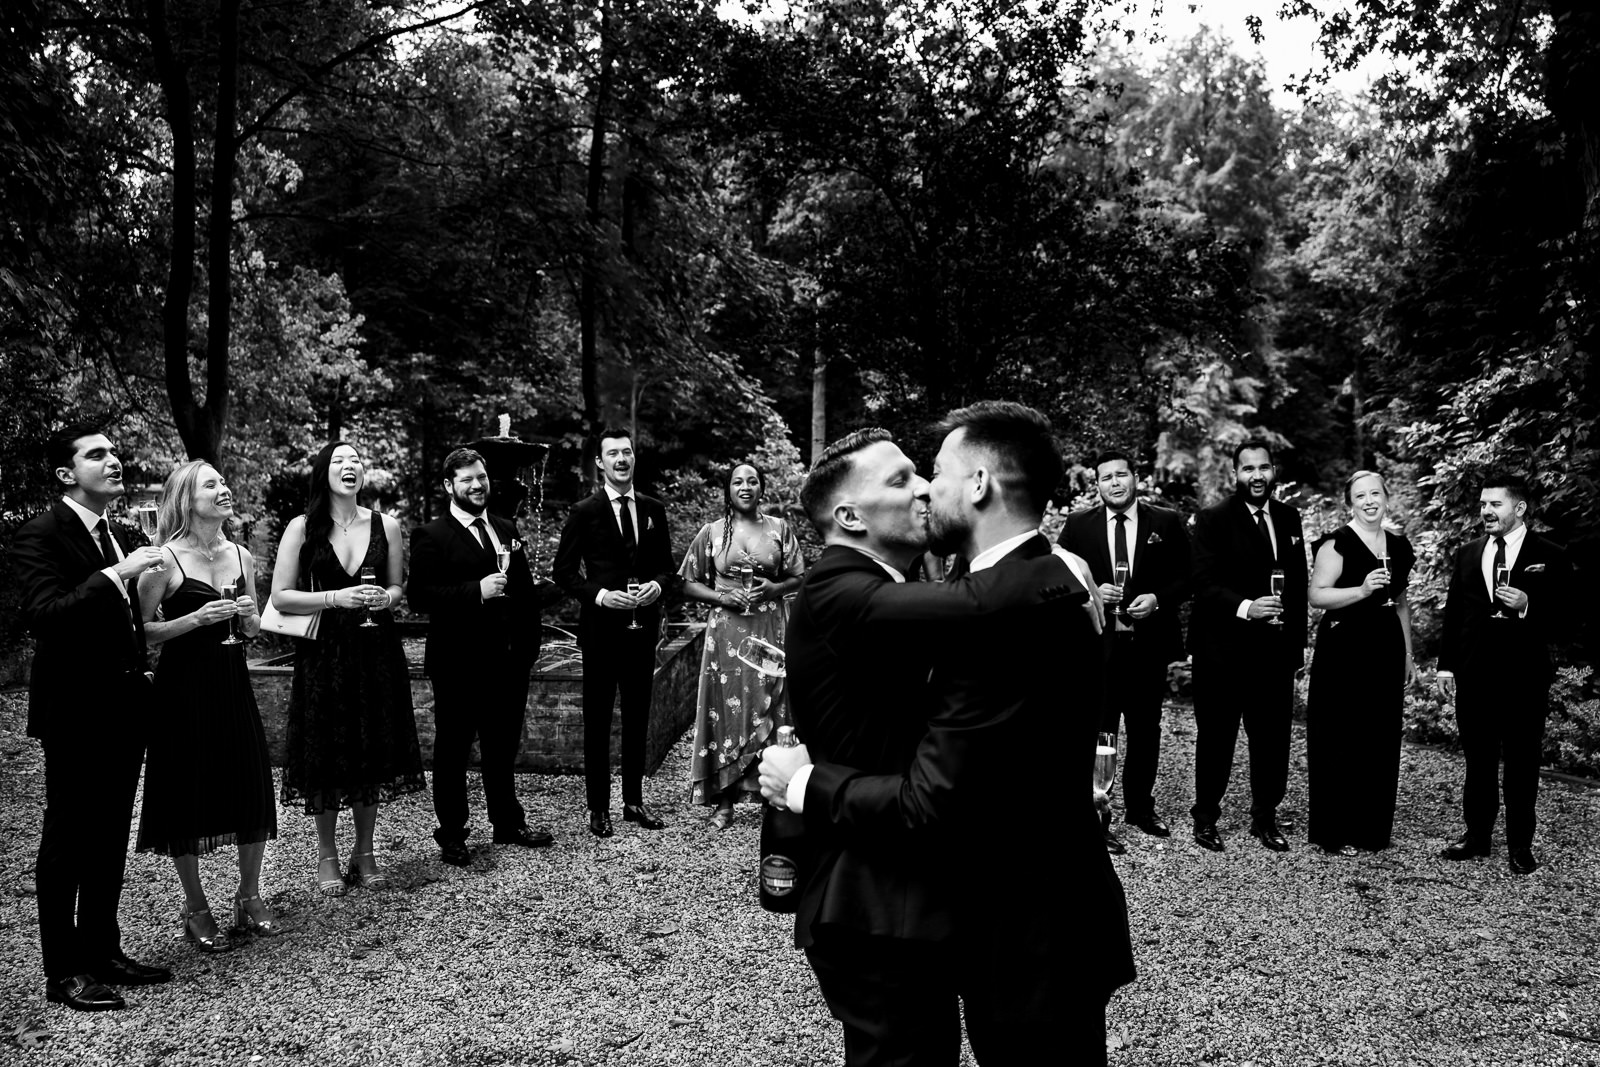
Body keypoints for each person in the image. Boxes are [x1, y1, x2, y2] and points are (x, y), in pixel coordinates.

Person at [760, 408, 1132, 1066]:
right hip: (870, 890)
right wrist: (1057, 566)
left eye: (931, 473)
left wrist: (1052, 559)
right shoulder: (839, 589)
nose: (927, 489)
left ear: (980, 483)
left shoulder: (951, 591)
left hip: (1013, 910)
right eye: (906, 479)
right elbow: (975, 607)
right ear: (850, 516)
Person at [12, 423, 172, 1010]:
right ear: (65, 473)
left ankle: (103, 951)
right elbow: (48, 616)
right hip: (75, 712)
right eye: (97, 454)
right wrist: (116, 576)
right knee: (68, 839)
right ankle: (65, 973)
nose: (114, 460)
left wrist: (141, 666)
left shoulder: (117, 533)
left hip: (123, 708)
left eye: (114, 452)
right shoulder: (40, 534)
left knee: (108, 837)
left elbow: (119, 622)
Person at [134, 461, 280, 950]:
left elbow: (256, 625)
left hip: (233, 681)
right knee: (186, 789)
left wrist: (249, 616)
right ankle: (195, 905)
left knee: (250, 780)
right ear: (184, 497)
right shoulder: (162, 561)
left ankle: (249, 894)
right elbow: (141, 631)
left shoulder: (241, 554)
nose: (225, 489)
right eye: (211, 484)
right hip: (183, 688)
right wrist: (196, 619)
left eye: (224, 482)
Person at [270, 441, 425, 894]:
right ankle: (326, 856)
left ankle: (365, 851)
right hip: (324, 654)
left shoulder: (386, 525)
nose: (349, 466)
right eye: (339, 460)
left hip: (375, 650)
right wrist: (336, 598)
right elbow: (280, 596)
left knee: (369, 749)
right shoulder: (303, 527)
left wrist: (385, 599)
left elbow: (399, 588)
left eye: (355, 460)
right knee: (326, 751)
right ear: (324, 472)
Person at [408, 447, 560, 867]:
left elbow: (524, 593)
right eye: (466, 480)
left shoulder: (505, 527)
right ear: (448, 486)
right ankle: (453, 833)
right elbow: (419, 597)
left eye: (481, 477)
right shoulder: (431, 535)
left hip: (508, 662)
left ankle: (508, 823)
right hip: (458, 663)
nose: (477, 485)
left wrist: (529, 648)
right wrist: (476, 591)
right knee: (453, 749)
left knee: (502, 745)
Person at [1436, 470, 1573, 874]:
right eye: (1482, 505)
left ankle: (1519, 846)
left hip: (1524, 677)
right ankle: (1476, 837)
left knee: (1521, 762)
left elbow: (1567, 622)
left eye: (1495, 504)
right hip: (1475, 674)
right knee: (1477, 762)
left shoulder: (1551, 554)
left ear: (1519, 507)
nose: (1486, 512)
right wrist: (1446, 666)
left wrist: (1530, 604)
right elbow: (1455, 616)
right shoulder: (1467, 553)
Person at [1061, 448, 1191, 848]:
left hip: (1147, 645)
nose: (1114, 483)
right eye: (1106, 478)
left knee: (1145, 728)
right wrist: (1090, 589)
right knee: (1101, 730)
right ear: (1096, 484)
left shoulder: (1166, 521)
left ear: (1136, 477)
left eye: (1121, 475)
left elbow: (1189, 575)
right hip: (1099, 646)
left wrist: (1158, 599)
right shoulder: (1078, 525)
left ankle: (1140, 808)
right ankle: (1097, 811)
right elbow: (1059, 575)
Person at [552, 428, 680, 837]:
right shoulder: (584, 511)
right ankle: (598, 808)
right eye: (613, 454)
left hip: (642, 631)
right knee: (598, 718)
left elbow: (666, 567)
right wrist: (602, 595)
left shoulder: (653, 509)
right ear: (600, 463)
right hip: (602, 631)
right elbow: (564, 573)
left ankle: (633, 801)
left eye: (627, 452)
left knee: (638, 715)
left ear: (633, 459)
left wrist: (657, 587)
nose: (622, 459)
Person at [1187, 438, 1308, 852]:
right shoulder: (1213, 519)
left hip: (1274, 654)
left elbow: (1299, 584)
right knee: (1216, 737)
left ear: (1274, 471)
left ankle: (1265, 818)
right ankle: (1205, 818)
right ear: (1234, 474)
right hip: (1222, 651)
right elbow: (1202, 584)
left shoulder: (1290, 518)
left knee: (1272, 740)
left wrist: (1297, 649)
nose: (1257, 475)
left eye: (1264, 467)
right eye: (1248, 468)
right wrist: (1246, 607)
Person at [678, 462, 805, 828]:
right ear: (728, 490)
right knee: (726, 710)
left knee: (775, 706)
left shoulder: (780, 529)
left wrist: (776, 588)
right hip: (727, 635)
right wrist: (721, 596)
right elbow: (687, 581)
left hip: (770, 628)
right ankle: (725, 800)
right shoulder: (713, 533)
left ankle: (771, 795)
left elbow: (800, 576)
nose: (745, 486)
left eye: (752, 481)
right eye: (738, 481)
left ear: (761, 489)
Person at [1305, 470, 1416, 856]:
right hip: (1343, 650)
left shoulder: (1399, 547)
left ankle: (1371, 830)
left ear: (1387, 498)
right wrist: (1363, 589)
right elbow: (1317, 596)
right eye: (1360, 496)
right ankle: (1334, 831)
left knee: (1380, 737)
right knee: (1340, 736)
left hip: (1384, 649)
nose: (1369, 501)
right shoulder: (1336, 544)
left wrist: (1406, 653)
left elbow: (1401, 603)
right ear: (1349, 503)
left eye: (1375, 494)